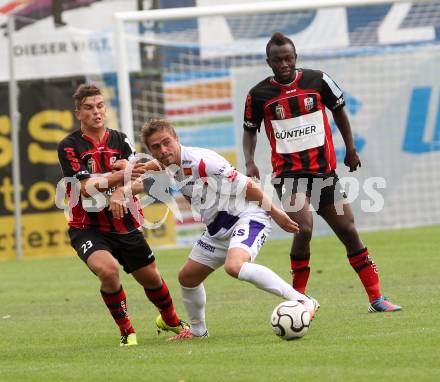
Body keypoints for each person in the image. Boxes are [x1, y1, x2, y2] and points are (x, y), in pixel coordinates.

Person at [108, 119, 319, 340]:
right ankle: (198, 332)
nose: (163, 150)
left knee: (235, 266)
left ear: (177, 140)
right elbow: (151, 177)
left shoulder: (204, 162)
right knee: (187, 278)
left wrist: (276, 213)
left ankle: (302, 300)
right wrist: (124, 188)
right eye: (156, 147)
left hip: (247, 216)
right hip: (217, 229)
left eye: (166, 143)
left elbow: (249, 186)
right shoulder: (169, 164)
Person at [242, 32, 401, 313]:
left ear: (295, 57)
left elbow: (340, 113)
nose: (284, 64)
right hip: (288, 176)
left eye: (288, 58)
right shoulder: (258, 95)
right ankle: (299, 300)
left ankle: (376, 299)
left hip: (324, 173)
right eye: (278, 60)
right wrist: (249, 161)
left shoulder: (318, 81)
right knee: (303, 228)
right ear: (269, 62)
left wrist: (350, 149)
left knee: (349, 231)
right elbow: (250, 130)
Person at [57, 84, 188, 347]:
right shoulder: (69, 146)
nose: (96, 112)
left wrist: (123, 187)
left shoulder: (121, 140)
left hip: (124, 221)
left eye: (100, 106)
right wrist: (121, 175)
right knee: (108, 271)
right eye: (89, 108)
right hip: (87, 225)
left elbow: (139, 179)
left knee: (150, 277)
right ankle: (127, 331)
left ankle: (170, 320)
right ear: (78, 113)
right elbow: (84, 187)